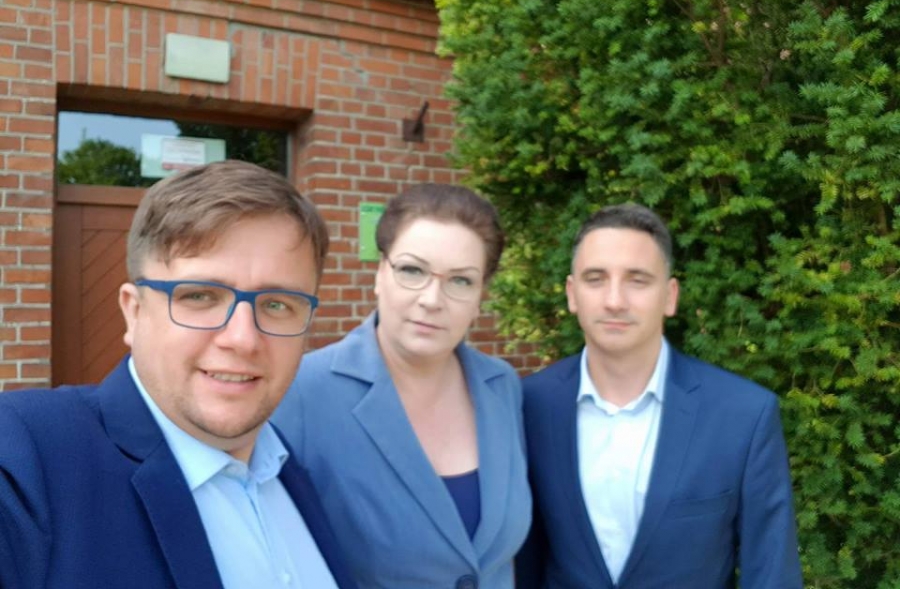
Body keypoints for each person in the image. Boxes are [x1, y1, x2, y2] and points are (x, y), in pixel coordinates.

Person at [0, 160, 357, 589]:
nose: (243, 339)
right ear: (134, 312)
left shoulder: (290, 468)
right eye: (200, 296)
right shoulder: (25, 458)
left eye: (278, 304)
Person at [516, 203, 803, 589]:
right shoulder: (527, 406)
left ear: (669, 296)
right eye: (595, 278)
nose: (614, 300)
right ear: (572, 294)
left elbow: (771, 574)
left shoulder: (742, 415)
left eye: (637, 280)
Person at [273, 183, 531, 589]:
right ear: (380, 274)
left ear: (480, 295)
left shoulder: (502, 386)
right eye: (413, 271)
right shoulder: (302, 390)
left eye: (461, 281)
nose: (432, 299)